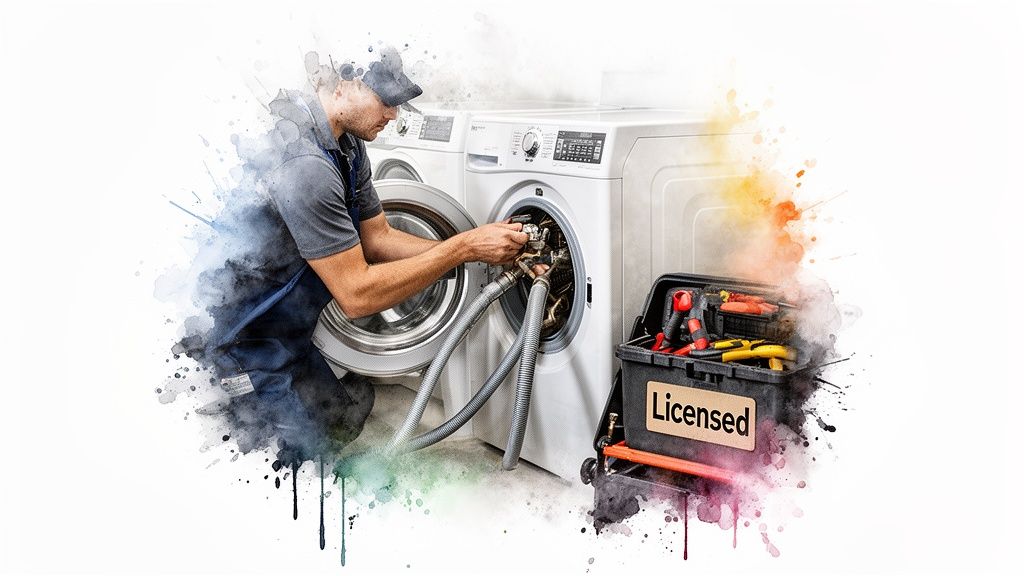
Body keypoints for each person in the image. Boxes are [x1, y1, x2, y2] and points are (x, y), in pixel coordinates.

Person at [195, 47, 529, 463]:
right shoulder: (305, 165)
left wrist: (474, 253)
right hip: (241, 342)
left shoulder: (347, 145)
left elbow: (378, 238)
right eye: (386, 101)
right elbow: (356, 296)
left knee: (341, 422)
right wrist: (462, 248)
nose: (394, 115)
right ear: (340, 85)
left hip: (286, 333)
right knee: (288, 463)